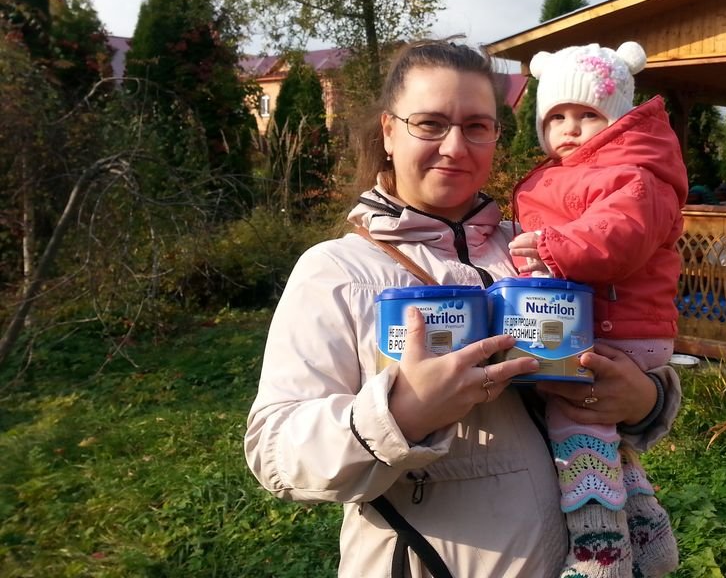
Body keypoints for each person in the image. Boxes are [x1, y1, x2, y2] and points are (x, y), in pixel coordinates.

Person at [244, 39, 682, 577]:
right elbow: (274, 451)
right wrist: (402, 413)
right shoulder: (339, 271)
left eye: (477, 126)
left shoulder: (539, 245)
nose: (455, 147)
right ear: (388, 132)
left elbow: (620, 342)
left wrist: (644, 399)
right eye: (429, 124)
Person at [508, 41, 689, 578]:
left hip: (619, 324)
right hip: (603, 318)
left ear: (617, 118)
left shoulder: (633, 172)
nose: (569, 128)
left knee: (576, 424)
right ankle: (648, 529)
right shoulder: (579, 171)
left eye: (587, 114)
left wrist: (551, 248)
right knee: (605, 434)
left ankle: (599, 553)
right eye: (556, 116)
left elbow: (618, 236)